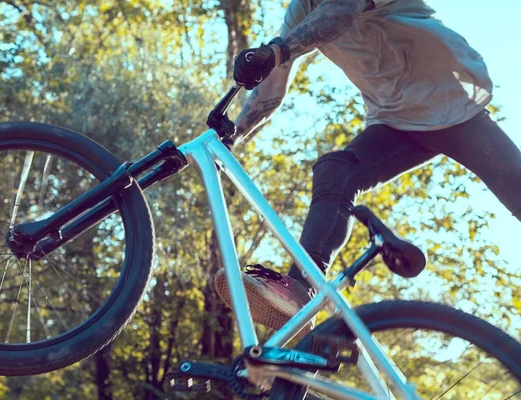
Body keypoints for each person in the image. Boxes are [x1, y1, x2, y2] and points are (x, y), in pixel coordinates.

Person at [213, 0, 521, 338]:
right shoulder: (299, 12)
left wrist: (275, 50)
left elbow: (340, 13)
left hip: (452, 102)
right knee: (337, 171)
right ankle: (301, 290)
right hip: (395, 121)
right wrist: (233, 132)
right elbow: (272, 85)